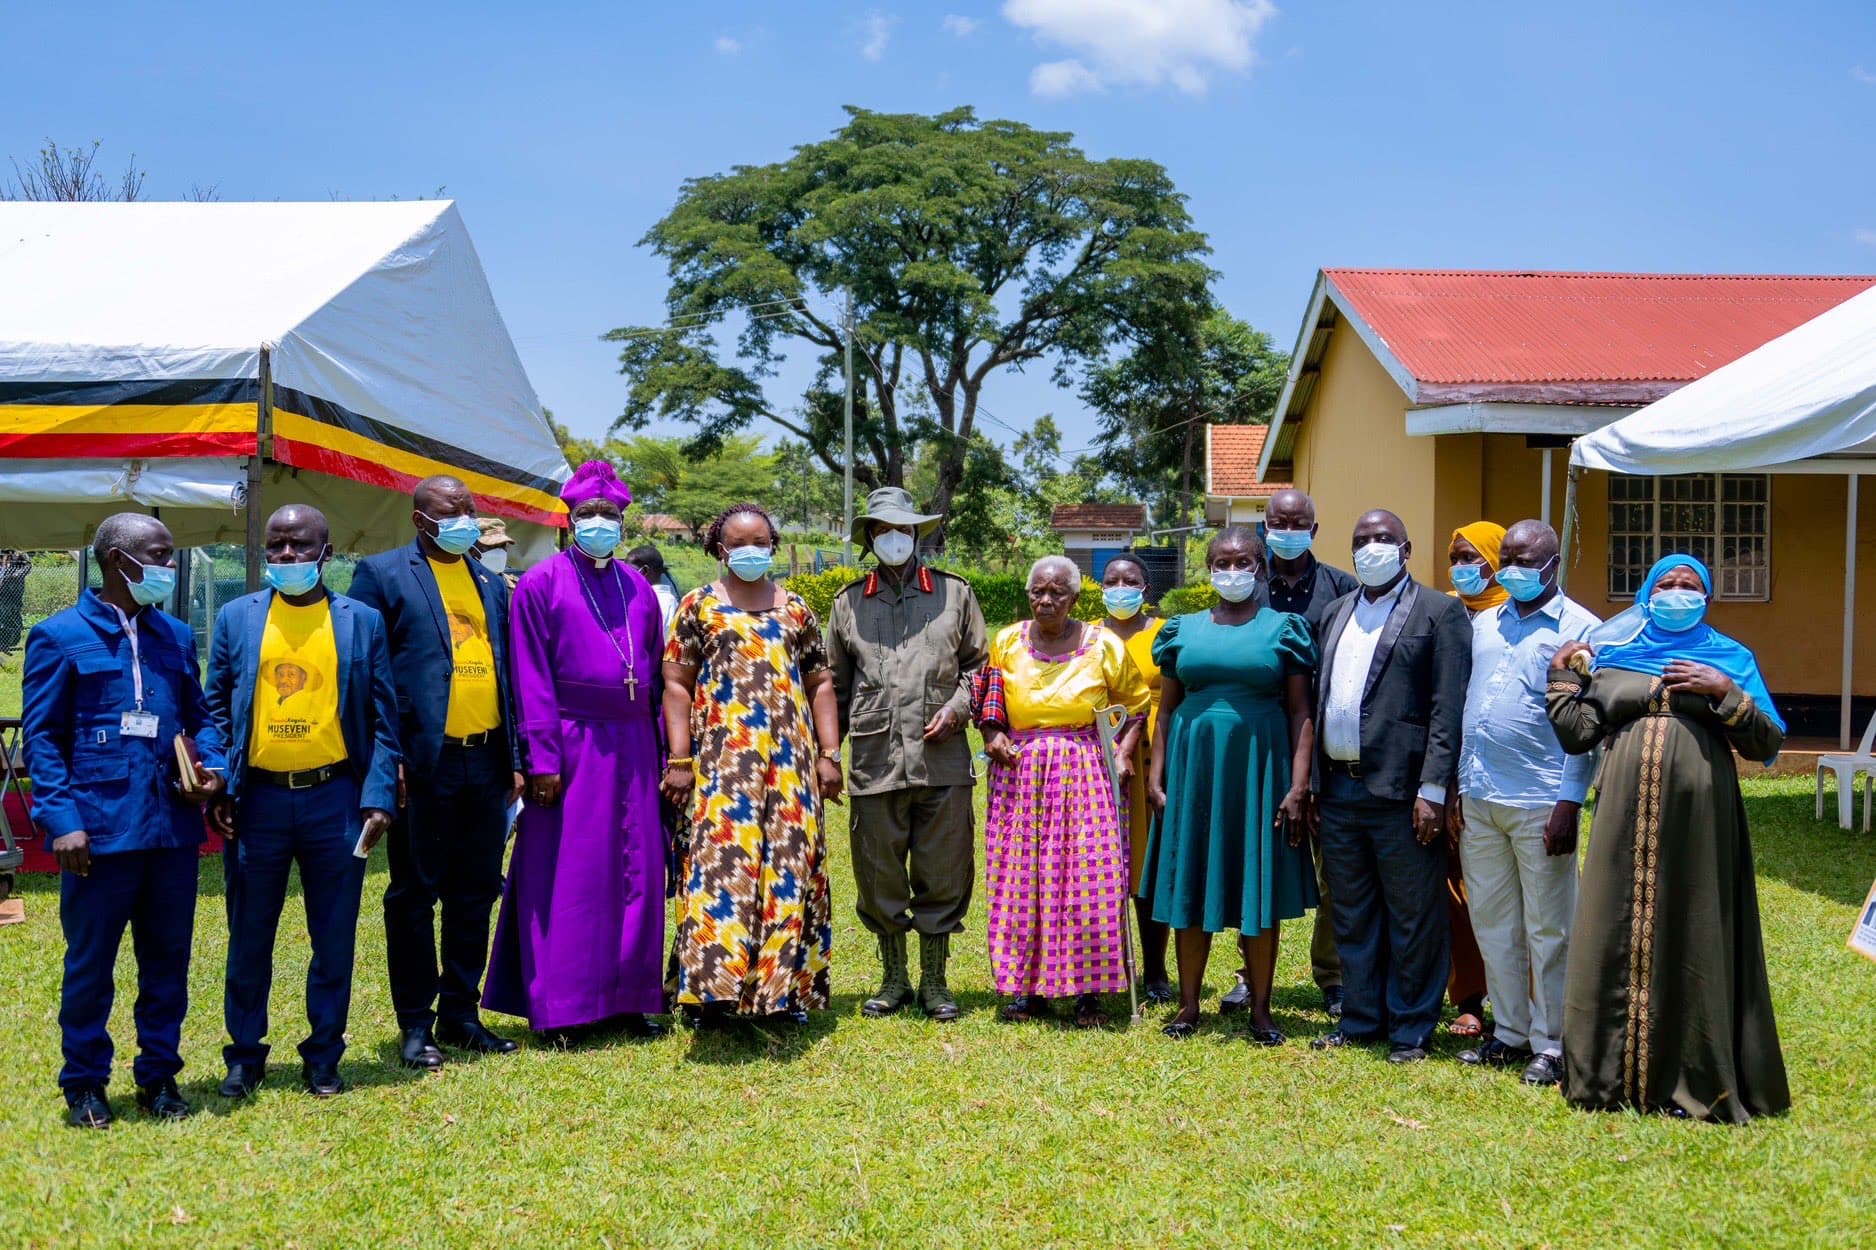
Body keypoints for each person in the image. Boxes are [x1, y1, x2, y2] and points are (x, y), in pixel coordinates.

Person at [1548, 555, 1788, 1122]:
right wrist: (1562, 676)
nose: (1677, 592)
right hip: (1621, 814)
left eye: (1690, 586)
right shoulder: (1612, 651)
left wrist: (1725, 692)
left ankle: (1695, 1079)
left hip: (1701, 817)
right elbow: (1578, 733)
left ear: (1707, 598)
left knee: (1694, 926)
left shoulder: (1731, 657)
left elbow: (1767, 745)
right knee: (1612, 923)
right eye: (1666, 584)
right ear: (1645, 592)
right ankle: (1604, 1078)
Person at [22, 513, 226, 1127]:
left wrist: (212, 769)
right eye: (159, 556)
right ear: (118, 560)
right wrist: (62, 821)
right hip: (98, 833)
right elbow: (44, 740)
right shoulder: (58, 636)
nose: (169, 568)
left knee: (167, 963)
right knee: (91, 966)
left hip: (169, 830)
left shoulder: (173, 635)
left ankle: (159, 1078)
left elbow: (204, 717)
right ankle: (84, 1084)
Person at [206, 505, 400, 1099]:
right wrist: (218, 774)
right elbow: (213, 709)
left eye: (299, 546)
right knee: (249, 936)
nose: (286, 557)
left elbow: (384, 719)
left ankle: (324, 1054)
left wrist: (378, 795)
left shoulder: (360, 621)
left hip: (334, 800)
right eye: (276, 546)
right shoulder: (237, 617)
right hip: (258, 802)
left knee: (334, 937)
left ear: (327, 552)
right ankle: (244, 1054)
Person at [484, 461, 671, 1039]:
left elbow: (658, 677)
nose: (599, 523)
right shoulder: (541, 584)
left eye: (609, 515)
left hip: (635, 743)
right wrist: (540, 759)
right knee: (569, 875)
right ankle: (562, 1007)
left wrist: (666, 754)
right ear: (570, 521)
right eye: (587, 514)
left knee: (637, 870)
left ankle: (629, 999)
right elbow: (530, 677)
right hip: (570, 742)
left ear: (622, 521)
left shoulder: (636, 586)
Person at [348, 476, 524, 1069]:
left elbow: (509, 672)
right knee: (414, 893)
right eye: (453, 511)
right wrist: (385, 759)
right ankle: (415, 1023)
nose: (466, 519)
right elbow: (367, 677)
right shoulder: (384, 574)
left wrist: (516, 760)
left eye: (471, 509)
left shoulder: (489, 582)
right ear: (422, 518)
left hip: (486, 757)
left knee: (476, 890)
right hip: (422, 762)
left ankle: (461, 1013)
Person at [662, 503, 844, 1024]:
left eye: (760, 542)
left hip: (790, 766)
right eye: (739, 544)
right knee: (721, 873)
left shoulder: (797, 609)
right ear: (721, 550)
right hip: (723, 763)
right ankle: (709, 996)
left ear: (773, 545)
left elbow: (820, 682)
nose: (751, 551)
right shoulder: (697, 606)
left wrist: (829, 755)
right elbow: (676, 683)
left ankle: (779, 995)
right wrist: (679, 759)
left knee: (787, 871)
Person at [1309, 510, 1471, 1064]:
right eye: (1360, 540)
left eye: (1382, 539)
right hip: (1339, 788)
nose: (1370, 548)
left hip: (1403, 794)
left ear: (1405, 549)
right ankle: (1360, 1018)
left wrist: (1433, 790)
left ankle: (1410, 1027)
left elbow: (1447, 712)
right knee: (1352, 911)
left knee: (1413, 913)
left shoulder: (1440, 612)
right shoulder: (1335, 612)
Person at [1143, 527, 1316, 1042]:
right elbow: (1167, 708)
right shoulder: (1182, 629)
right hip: (1193, 769)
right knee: (1189, 882)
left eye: (1243, 561)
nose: (1232, 570)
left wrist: (1298, 784)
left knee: (1255, 885)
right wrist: (1156, 776)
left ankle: (1261, 1010)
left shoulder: (1284, 628)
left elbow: (1301, 710)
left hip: (1259, 770)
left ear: (1260, 568)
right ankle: (1188, 1007)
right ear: (1209, 568)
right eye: (1222, 561)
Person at [826, 487, 988, 1022]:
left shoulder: (954, 594)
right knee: (879, 871)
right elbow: (835, 688)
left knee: (944, 869)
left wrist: (962, 706)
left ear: (918, 533)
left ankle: (935, 982)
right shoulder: (848, 603)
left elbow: (978, 667)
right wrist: (826, 753)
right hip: (874, 759)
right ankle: (893, 978)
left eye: (902, 529)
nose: (894, 538)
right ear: (870, 538)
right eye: (882, 530)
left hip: (941, 758)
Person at [1452, 520, 1598, 1087]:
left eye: (1524, 558)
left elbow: (1584, 726)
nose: (1511, 567)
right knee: (1493, 922)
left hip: (1541, 801)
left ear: (1552, 564)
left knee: (1550, 927)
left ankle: (1552, 1042)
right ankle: (1510, 1033)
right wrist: (1460, 789)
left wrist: (1569, 802)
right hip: (1481, 796)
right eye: (1505, 557)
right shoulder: (1485, 622)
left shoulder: (1582, 629)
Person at [979, 555, 1151, 1029]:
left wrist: (1123, 752)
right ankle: (1029, 991)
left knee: (1088, 878)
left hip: (1083, 766)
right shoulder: (1007, 641)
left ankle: (1088, 994)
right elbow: (990, 701)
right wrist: (993, 735)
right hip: (1020, 772)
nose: (1046, 600)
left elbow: (1134, 706)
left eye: (1057, 592)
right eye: (1038, 591)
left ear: (1075, 598)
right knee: (1023, 881)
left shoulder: (1103, 643)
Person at [1255, 488, 1358, 1020]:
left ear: (1315, 531)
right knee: (1256, 859)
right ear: (1264, 525)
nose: (1288, 531)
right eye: (1279, 522)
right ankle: (1250, 975)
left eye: (1299, 524)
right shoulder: (1244, 584)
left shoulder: (1343, 590)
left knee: (1335, 868)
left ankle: (1334, 974)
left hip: (1327, 746)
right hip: (1259, 744)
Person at [1439, 521, 1508, 1039]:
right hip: (1438, 770)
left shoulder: (1513, 616)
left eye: (1474, 557)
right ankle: (1466, 996)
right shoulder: (1442, 612)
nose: (1464, 567)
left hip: (1498, 776)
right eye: (1456, 556)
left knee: (1499, 891)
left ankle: (1515, 998)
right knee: (1450, 893)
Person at [1100, 551, 1173, 1004]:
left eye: (1130, 580)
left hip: (1152, 759)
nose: (1121, 587)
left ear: (1146, 588)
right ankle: (1105, 967)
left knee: (1149, 870)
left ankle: (1155, 971)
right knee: (1102, 870)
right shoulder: (1086, 634)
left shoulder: (1166, 633)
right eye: (1112, 579)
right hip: (1098, 763)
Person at [625, 545, 680, 639]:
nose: (626, 575)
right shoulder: (648, 598)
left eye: (630, 570)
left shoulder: (662, 602)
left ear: (645, 570)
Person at [474, 516, 520, 590]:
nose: (499, 551)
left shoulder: (516, 586)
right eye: (491, 546)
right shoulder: (462, 583)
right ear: (472, 549)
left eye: (503, 546)